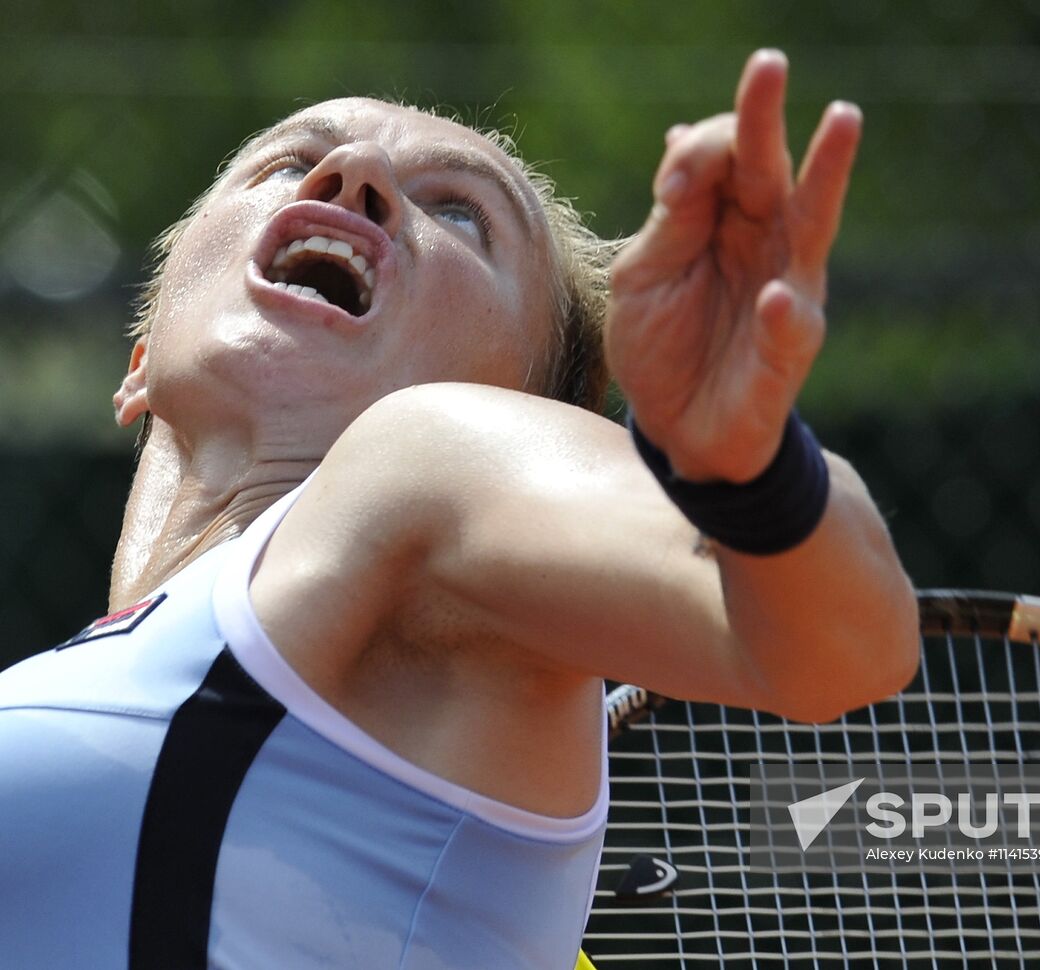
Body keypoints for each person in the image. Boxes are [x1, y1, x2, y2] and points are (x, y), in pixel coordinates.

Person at [0, 49, 919, 968]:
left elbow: (840, 649)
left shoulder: (423, 463)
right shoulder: (87, 680)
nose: (353, 175)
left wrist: (748, 470)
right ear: (140, 361)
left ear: (542, 408)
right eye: (289, 161)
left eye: (460, 213)